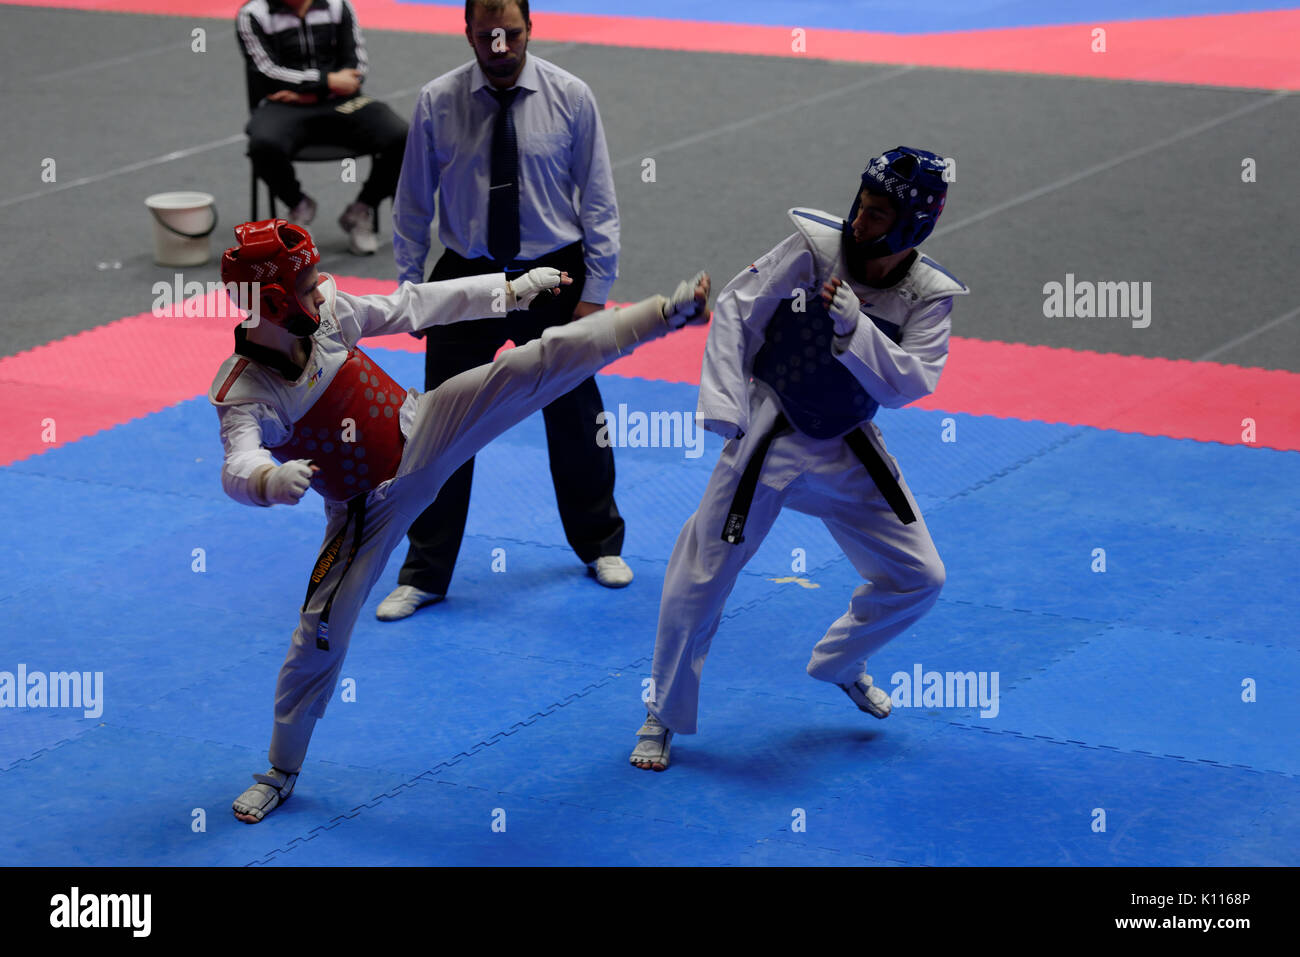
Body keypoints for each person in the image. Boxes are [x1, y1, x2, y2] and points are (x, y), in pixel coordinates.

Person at [209, 217, 709, 821]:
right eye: (308, 283)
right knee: (318, 632)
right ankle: (281, 770)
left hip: (426, 428)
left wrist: (510, 290)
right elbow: (239, 462)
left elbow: (417, 304)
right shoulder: (245, 391)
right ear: (272, 300)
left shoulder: (333, 315)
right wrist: (268, 481)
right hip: (365, 512)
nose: (322, 289)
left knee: (528, 367)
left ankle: (663, 314)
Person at [629, 147, 969, 772]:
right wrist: (725, 404)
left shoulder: (929, 298)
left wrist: (856, 328)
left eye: (877, 215)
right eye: (861, 207)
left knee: (922, 577)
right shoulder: (815, 248)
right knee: (699, 573)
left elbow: (909, 385)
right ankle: (662, 712)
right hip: (770, 434)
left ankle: (840, 661)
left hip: (847, 445)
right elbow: (736, 307)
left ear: (912, 225)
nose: (860, 223)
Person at [380, 0, 628, 621]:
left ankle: (599, 543)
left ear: (529, 30)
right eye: (486, 35)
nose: (499, 46)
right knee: (441, 426)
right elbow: (412, 204)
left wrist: (596, 291)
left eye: (510, 33)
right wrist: (412, 295)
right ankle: (425, 572)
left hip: (556, 274)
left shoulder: (571, 95)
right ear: (466, 32)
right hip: (466, 277)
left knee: (575, 413)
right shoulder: (438, 100)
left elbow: (599, 200)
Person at [236, 0, 409, 255]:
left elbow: (357, 67)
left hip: (341, 102)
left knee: (401, 136)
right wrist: (326, 81)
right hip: (283, 106)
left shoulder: (338, 6)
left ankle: (362, 209)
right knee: (262, 144)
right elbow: (266, 70)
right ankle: (299, 205)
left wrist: (309, 92)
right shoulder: (252, 15)